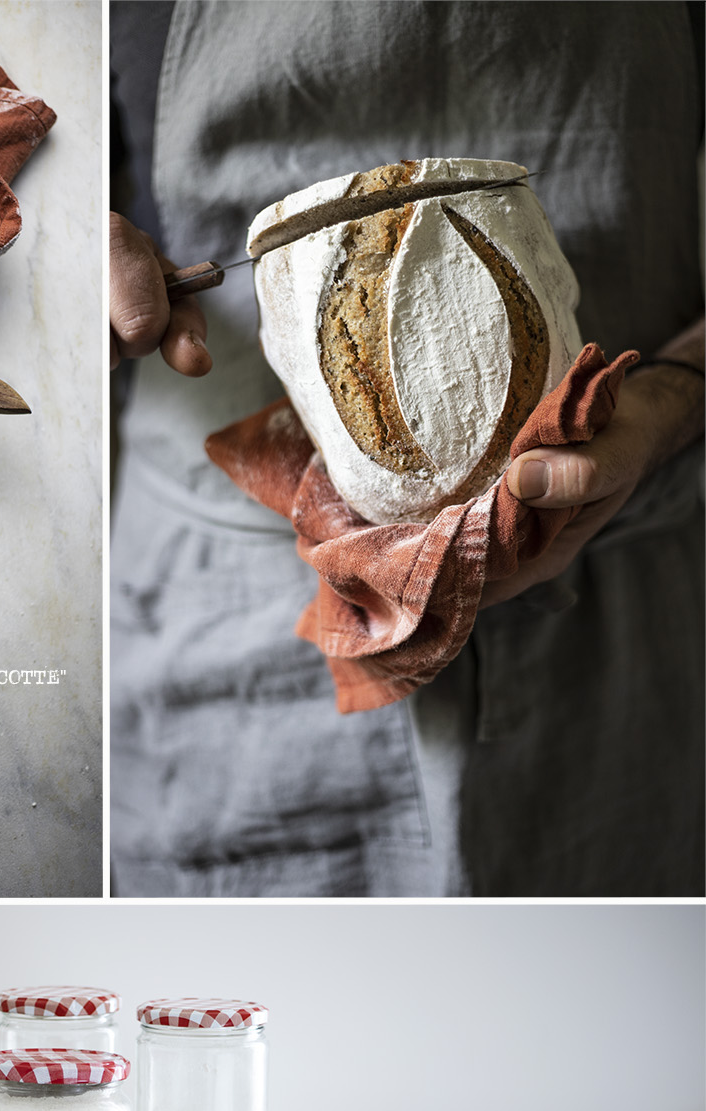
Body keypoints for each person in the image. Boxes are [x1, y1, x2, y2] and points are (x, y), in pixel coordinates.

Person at [109, 0, 704, 897]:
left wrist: (678, 392)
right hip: (234, 620)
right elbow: (17, 122)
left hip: (627, 590)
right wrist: (67, 234)